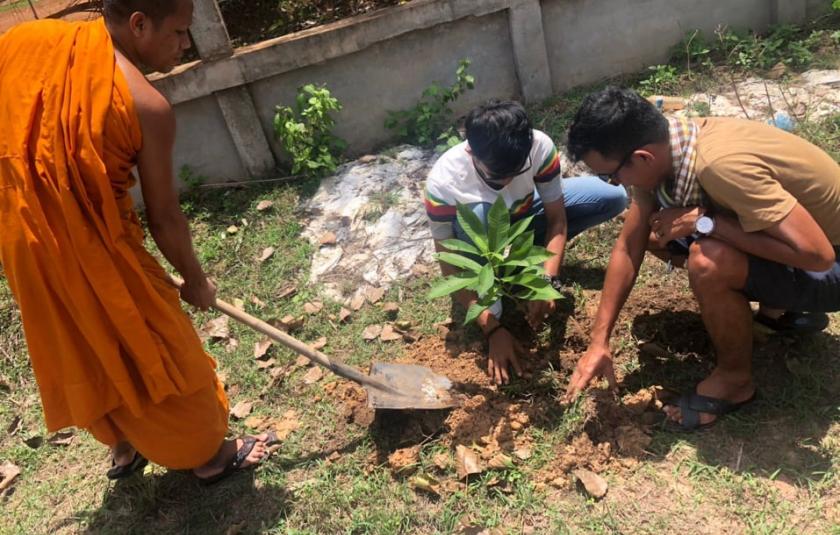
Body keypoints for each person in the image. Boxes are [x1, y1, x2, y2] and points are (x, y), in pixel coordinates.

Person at [0, 0, 273, 482]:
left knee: (83, 337)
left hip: (25, 240)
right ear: (139, 24)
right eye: (180, 33)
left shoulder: (26, 43)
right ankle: (206, 455)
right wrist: (196, 280)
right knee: (158, 347)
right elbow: (165, 218)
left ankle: (125, 445)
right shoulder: (146, 106)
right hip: (96, 250)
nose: (185, 45)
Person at [563, 87, 840, 430]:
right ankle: (779, 313)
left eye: (613, 175)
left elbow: (818, 255)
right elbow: (628, 245)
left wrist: (708, 222)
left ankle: (735, 382)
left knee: (708, 259)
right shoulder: (673, 143)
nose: (614, 183)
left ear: (642, 157)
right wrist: (598, 341)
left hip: (830, 263)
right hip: (801, 243)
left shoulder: (719, 166)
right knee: (654, 235)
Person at [424, 100, 628, 385]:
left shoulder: (539, 148)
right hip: (482, 234)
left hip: (524, 215)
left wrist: (547, 281)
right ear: (471, 152)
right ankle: (492, 292)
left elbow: (557, 220)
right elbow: (449, 268)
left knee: (612, 197)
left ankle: (522, 260)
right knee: (483, 215)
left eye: (515, 172)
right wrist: (493, 330)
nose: (507, 182)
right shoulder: (445, 185)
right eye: (496, 176)